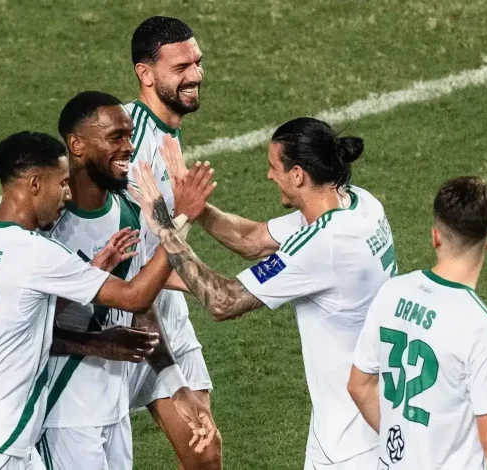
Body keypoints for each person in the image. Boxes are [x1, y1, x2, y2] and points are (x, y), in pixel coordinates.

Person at [0, 131, 214, 470]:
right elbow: (135, 297)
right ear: (35, 184)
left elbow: (19, 316)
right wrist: (180, 220)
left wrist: (91, 275)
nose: (67, 194)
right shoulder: (36, 252)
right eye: (62, 183)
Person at [133, 117, 397, 470]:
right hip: (370, 411)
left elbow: (223, 301)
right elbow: (252, 240)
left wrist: (167, 227)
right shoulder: (359, 203)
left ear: (298, 175)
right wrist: (196, 208)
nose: (269, 175)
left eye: (274, 167)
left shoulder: (324, 244)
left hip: (350, 441)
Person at [36, 91, 215, 469]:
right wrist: (182, 220)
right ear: (77, 145)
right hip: (66, 409)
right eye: (116, 137)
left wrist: (176, 384)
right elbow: (28, 326)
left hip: (112, 404)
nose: (129, 147)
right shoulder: (48, 224)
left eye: (130, 136)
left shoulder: (126, 211)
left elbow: (141, 304)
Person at [348, 176, 487, 470]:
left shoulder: (392, 292)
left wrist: (407, 449)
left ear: (435, 236)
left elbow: (360, 385)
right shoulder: (484, 329)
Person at [124, 16, 222, 470]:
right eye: (181, 67)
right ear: (146, 74)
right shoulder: (125, 143)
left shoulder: (166, 133)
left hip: (167, 312)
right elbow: (126, 263)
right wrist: (214, 289)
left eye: (197, 63)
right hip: (126, 321)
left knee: (205, 453)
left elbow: (162, 240)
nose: (196, 75)